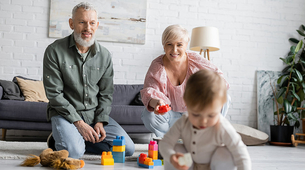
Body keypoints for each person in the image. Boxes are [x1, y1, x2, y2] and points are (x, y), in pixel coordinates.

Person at [43, 2, 135, 159]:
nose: (88, 28)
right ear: (71, 24)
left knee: (127, 149)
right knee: (73, 153)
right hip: (65, 114)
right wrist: (79, 123)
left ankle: (72, 140)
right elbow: (54, 94)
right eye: (82, 22)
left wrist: (100, 122)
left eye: (92, 23)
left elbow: (106, 93)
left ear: (97, 25)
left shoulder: (104, 55)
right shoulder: (54, 51)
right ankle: (68, 139)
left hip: (93, 115)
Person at [140, 24, 230, 137]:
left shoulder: (195, 60)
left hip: (196, 115)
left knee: (224, 98)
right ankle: (170, 140)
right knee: (148, 115)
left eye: (179, 44)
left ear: (186, 45)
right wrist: (157, 103)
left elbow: (218, 79)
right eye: (169, 44)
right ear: (164, 46)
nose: (174, 50)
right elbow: (150, 91)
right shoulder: (157, 65)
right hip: (170, 117)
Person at [159, 69, 251, 170]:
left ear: (221, 106)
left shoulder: (222, 126)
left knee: (225, 153)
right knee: (176, 149)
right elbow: (165, 143)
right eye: (196, 114)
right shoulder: (183, 122)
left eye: (211, 115)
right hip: (189, 166)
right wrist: (172, 156)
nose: (203, 121)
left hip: (214, 166)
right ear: (186, 103)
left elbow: (241, 153)